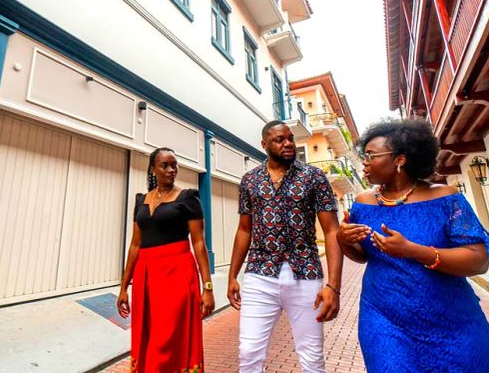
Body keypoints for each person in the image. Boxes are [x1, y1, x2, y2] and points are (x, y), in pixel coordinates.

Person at [337, 118, 489, 373]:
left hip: (452, 319)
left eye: (371, 156)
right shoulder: (362, 202)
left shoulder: (445, 198)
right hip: (383, 317)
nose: (364, 163)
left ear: (400, 160)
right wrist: (344, 240)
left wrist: (411, 250)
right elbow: (362, 255)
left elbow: (478, 260)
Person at [228, 121, 343, 373]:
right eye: (280, 139)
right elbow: (244, 229)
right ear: (264, 144)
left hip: (306, 273)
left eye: (290, 138)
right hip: (259, 273)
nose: (288, 143)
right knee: (248, 352)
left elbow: (332, 230)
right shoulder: (250, 180)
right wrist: (232, 276)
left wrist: (333, 285)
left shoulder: (313, 177)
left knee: (312, 356)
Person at [117, 147, 214, 373]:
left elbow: (199, 243)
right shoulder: (141, 200)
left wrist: (207, 287)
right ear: (153, 169)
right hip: (146, 276)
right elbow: (135, 244)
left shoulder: (188, 198)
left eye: (174, 165)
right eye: (165, 166)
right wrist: (123, 287)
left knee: (169, 336)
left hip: (177, 273)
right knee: (147, 334)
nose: (172, 170)